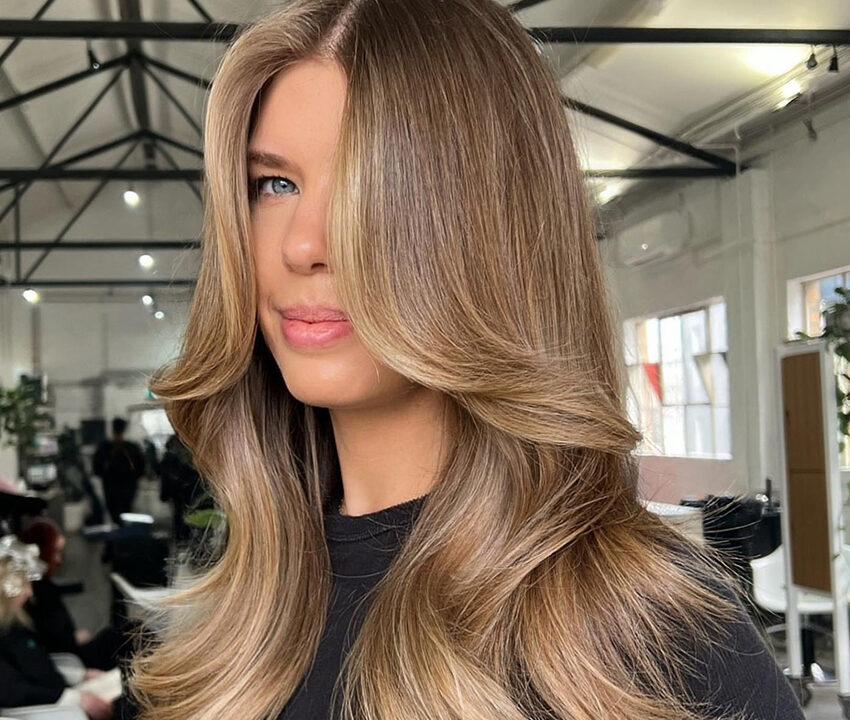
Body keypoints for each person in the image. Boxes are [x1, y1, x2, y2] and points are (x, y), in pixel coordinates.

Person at [127, 2, 805, 719]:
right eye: (274, 185)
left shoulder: (647, 631)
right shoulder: (239, 623)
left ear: (492, 229)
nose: (302, 245)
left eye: (371, 186)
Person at [0, 534, 114, 719]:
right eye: (24, 584)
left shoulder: (13, 624)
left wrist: (79, 676)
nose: (29, 592)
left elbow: (37, 666)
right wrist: (75, 699)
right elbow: (14, 692)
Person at [19, 517, 137, 671]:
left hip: (68, 651)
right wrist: (73, 639)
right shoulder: (38, 592)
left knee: (128, 632)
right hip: (70, 659)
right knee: (132, 634)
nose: (58, 560)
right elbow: (53, 640)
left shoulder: (39, 586)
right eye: (55, 552)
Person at [93, 418, 145, 526]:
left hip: (117, 487)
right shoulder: (130, 447)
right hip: (120, 487)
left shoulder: (107, 447)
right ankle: (123, 531)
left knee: (120, 514)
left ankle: (120, 531)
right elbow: (140, 468)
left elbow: (97, 469)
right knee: (122, 514)